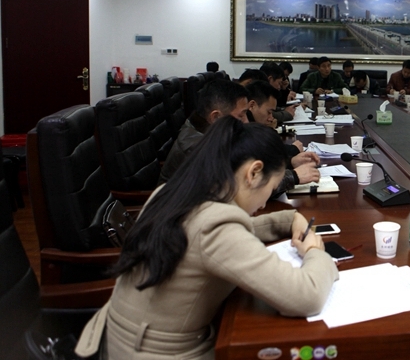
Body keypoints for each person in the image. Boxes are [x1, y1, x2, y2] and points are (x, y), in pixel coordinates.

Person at [75, 117, 338, 359]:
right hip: (160, 353)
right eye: (270, 189)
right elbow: (308, 296)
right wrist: (315, 252)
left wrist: (290, 219)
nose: (264, 202)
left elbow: (212, 233)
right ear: (253, 172)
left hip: (118, 340)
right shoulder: (216, 226)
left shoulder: (172, 193)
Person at [160, 80, 249, 183]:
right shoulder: (197, 150)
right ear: (215, 117)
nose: (246, 121)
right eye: (241, 116)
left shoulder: (207, 131)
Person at [244, 81, 320, 191]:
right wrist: (294, 176)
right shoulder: (238, 135)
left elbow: (266, 163)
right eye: (269, 112)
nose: (271, 118)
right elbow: (253, 186)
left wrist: (291, 162)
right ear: (252, 106)